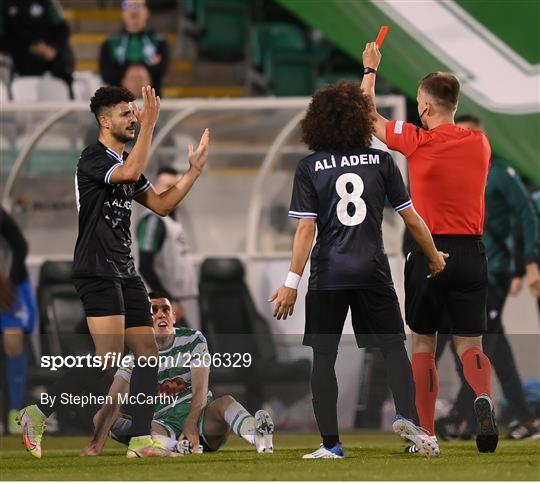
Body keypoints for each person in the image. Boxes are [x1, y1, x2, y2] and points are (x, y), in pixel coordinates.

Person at [18, 85, 209, 459]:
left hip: (124, 270)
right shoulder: (93, 159)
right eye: (126, 113)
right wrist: (152, 123)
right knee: (107, 360)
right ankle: (37, 413)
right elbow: (132, 169)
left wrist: (193, 172)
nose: (134, 117)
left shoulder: (125, 165)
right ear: (104, 121)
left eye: (135, 112)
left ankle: (140, 439)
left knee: (147, 353)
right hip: (96, 269)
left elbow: (163, 204)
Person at [269, 81, 447, 459]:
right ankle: (409, 421)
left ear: (318, 122)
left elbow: (306, 229)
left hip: (329, 274)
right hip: (373, 271)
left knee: (324, 356)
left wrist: (290, 283)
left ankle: (331, 445)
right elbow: (411, 218)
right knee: (393, 348)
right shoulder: (382, 161)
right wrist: (433, 256)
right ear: (359, 120)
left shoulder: (310, 167)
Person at [361, 42, 497, 453]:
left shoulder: (417, 141)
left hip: (429, 250)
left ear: (424, 107)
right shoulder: (481, 143)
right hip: (472, 252)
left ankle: (428, 435)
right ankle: (483, 395)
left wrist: (370, 69)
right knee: (470, 343)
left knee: (423, 342)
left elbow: (369, 117)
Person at [434, 115, 540, 441]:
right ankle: (524, 418)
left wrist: (529, 264)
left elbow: (527, 214)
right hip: (462, 272)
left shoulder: (499, 174)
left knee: (478, 346)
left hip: (492, 274)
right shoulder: (454, 174)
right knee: (493, 346)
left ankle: (459, 418)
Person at [83, 293, 274, 456]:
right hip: (162, 425)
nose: (160, 315)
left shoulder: (193, 339)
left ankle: (258, 436)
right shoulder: (134, 355)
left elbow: (201, 389)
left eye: (165, 310)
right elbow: (113, 401)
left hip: (200, 419)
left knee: (225, 402)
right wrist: (98, 436)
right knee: (100, 417)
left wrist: (190, 423)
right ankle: (176, 448)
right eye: (153, 310)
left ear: (174, 316)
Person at [137, 166, 199, 327]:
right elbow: (145, 266)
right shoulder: (153, 221)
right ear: (155, 188)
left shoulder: (173, 219)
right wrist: (168, 301)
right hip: (171, 301)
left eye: (176, 187)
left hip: (185, 298)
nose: (173, 192)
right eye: (167, 186)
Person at [0, 207, 37, 434]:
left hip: (9, 288)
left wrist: (9, 282)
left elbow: (20, 246)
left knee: (13, 341)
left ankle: (16, 410)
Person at [99, 0, 169, 96]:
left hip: (153, 101)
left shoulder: (160, 42)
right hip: (119, 103)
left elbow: (162, 70)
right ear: (123, 13)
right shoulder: (109, 44)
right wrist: (126, 78)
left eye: (139, 5)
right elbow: (106, 73)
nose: (134, 10)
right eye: (129, 5)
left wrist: (144, 76)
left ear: (147, 12)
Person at [0, 0, 74, 89]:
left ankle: (69, 95)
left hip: (50, 51)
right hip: (20, 54)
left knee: (63, 62)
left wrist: (54, 49)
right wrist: (30, 47)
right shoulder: (4, 4)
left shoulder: (48, 2)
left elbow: (62, 29)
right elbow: (3, 38)